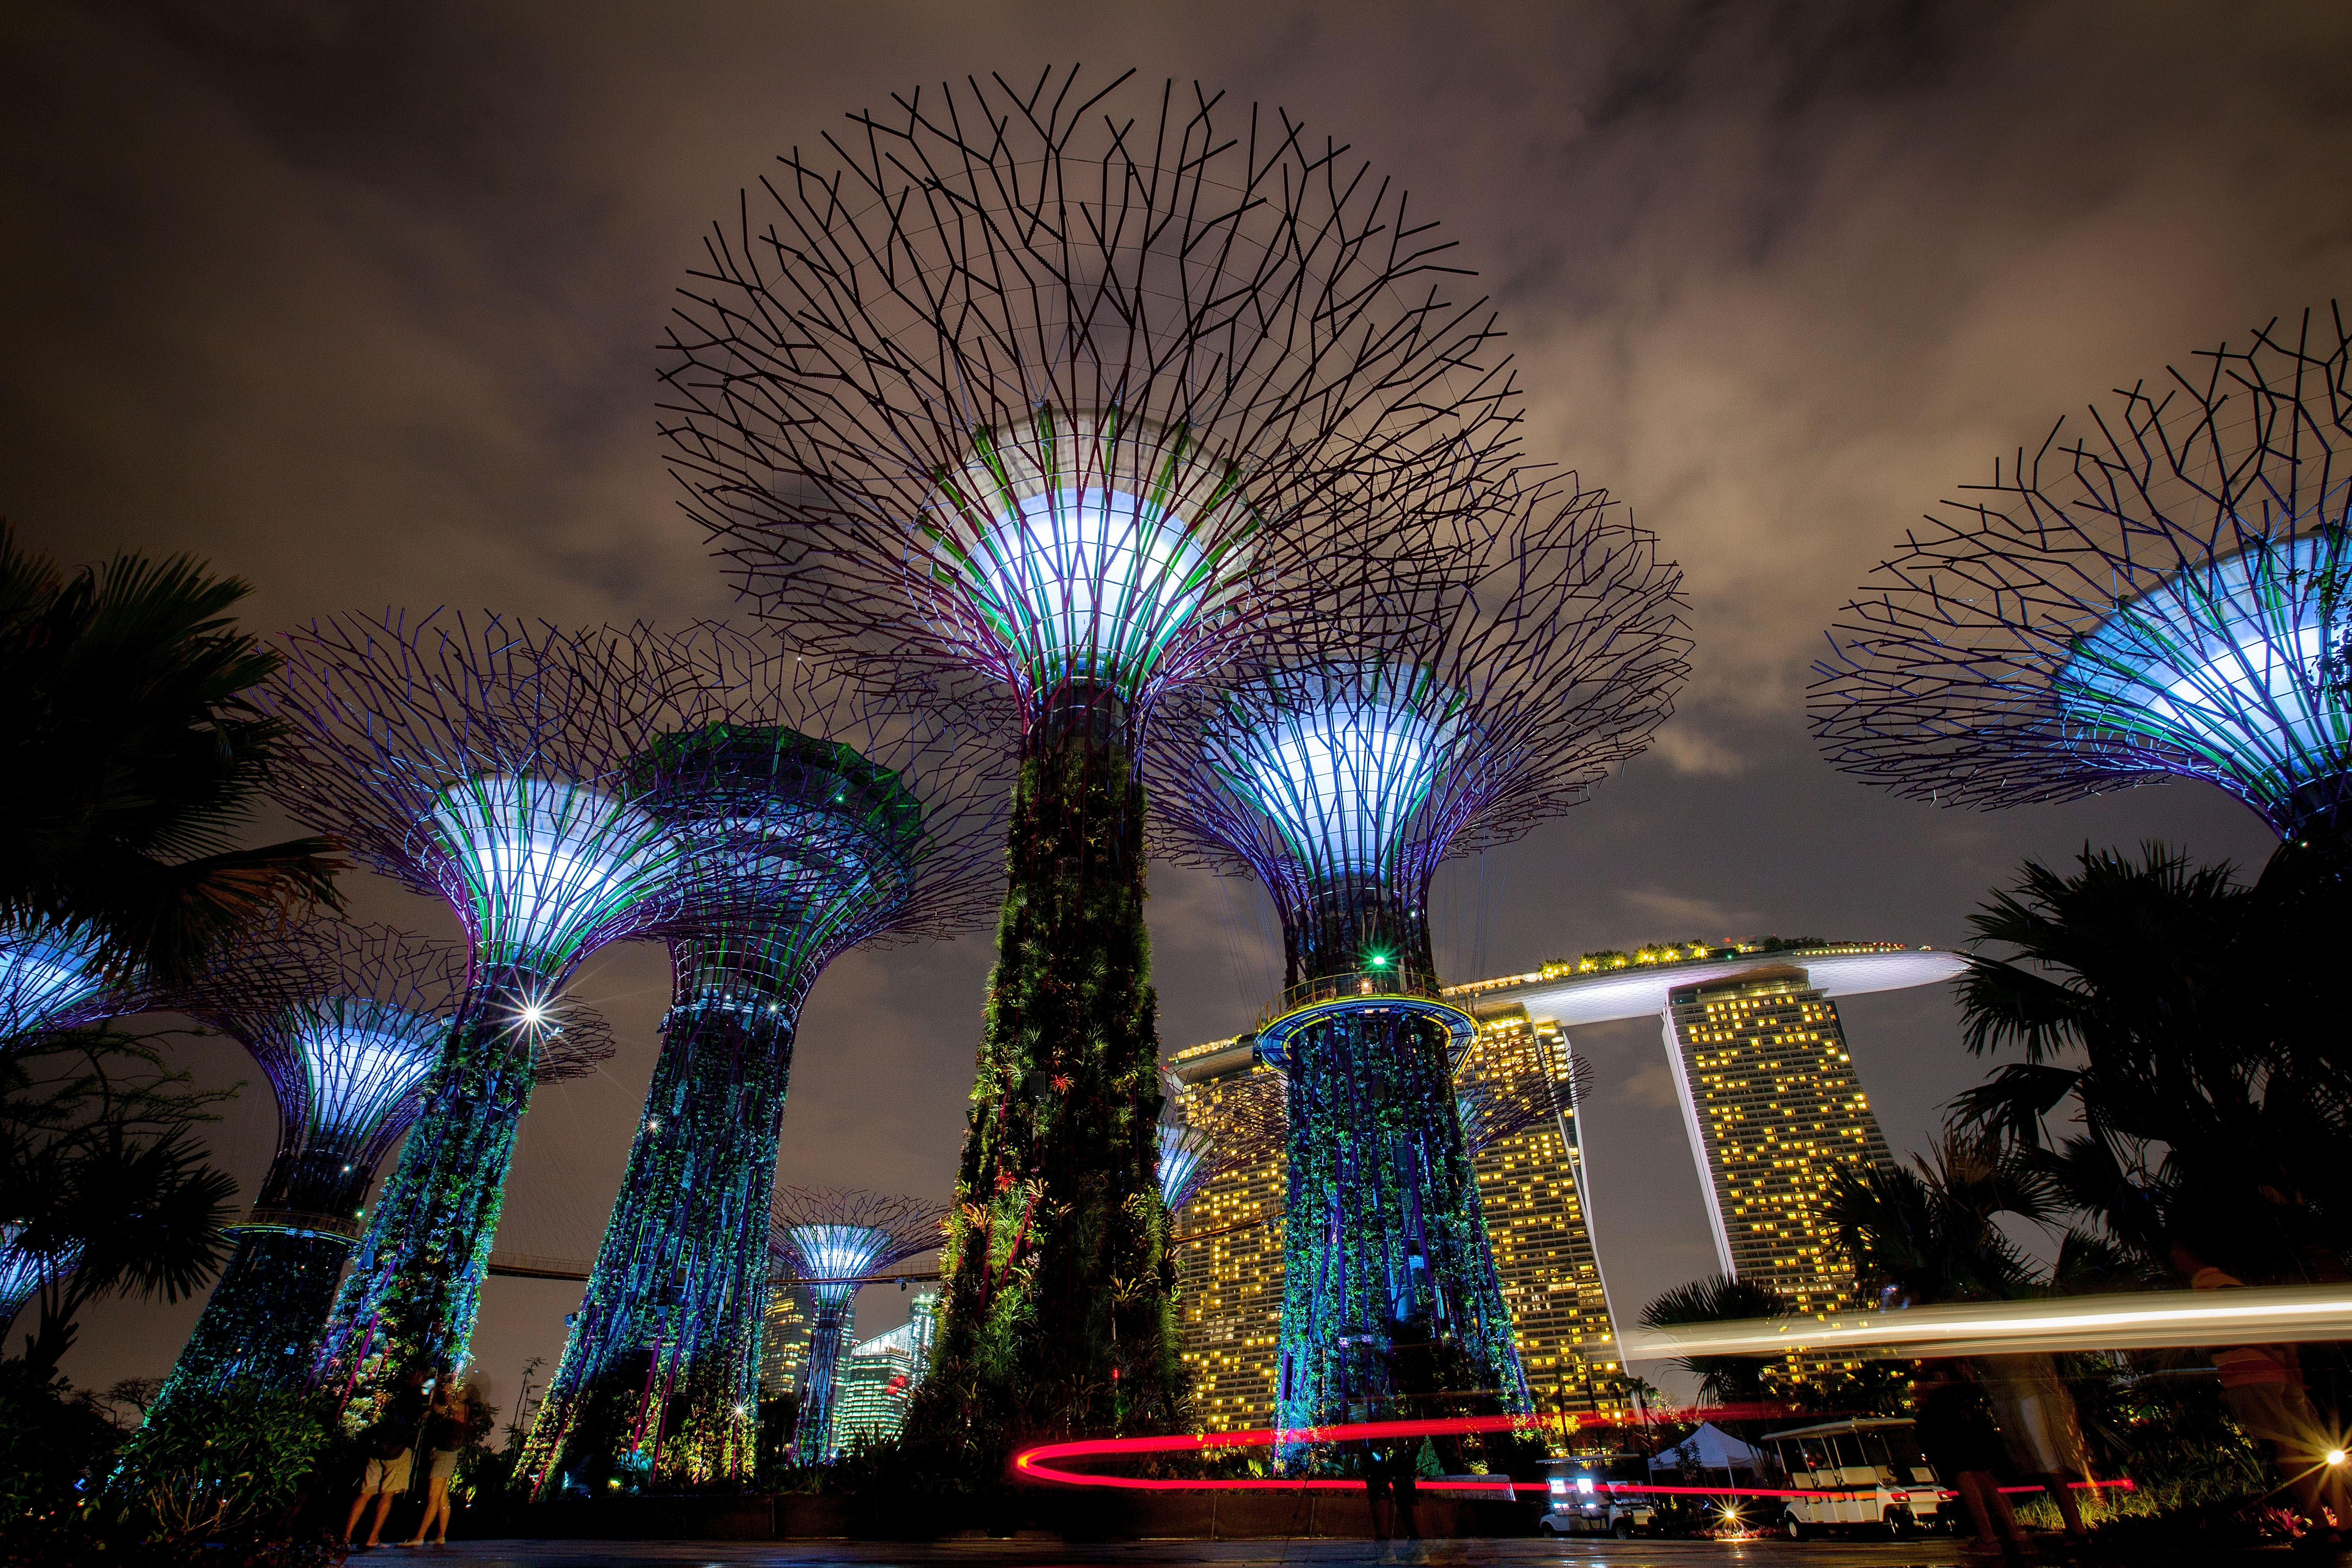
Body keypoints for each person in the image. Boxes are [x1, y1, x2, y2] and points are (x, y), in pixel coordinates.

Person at [2173, 1237, 2340, 1542]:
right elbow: (2279, 1327)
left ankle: (2320, 1525)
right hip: (2278, 1374)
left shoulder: (2207, 1285)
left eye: (2176, 1251)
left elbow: (2241, 1328)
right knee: (2312, 1446)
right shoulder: (2238, 1283)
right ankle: (2345, 1521)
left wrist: (2269, 1353)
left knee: (2286, 1450)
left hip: (2247, 1371)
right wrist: (2289, 1364)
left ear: (2189, 1253)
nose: (2173, 1258)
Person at [344, 1366, 428, 1549]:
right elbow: (421, 1409)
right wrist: (429, 1383)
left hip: (376, 1447)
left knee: (365, 1493)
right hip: (397, 1449)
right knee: (387, 1495)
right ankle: (373, 1537)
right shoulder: (415, 1393)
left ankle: (346, 1536)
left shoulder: (389, 1388)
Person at [403, 1371, 490, 1548]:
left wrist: (441, 1386)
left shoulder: (461, 1408)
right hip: (444, 1453)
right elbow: (438, 1408)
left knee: (433, 1497)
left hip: (445, 1453)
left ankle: (419, 1537)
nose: (459, 1391)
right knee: (442, 1498)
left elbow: (444, 1406)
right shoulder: (455, 1409)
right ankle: (441, 1535)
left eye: (462, 1391)